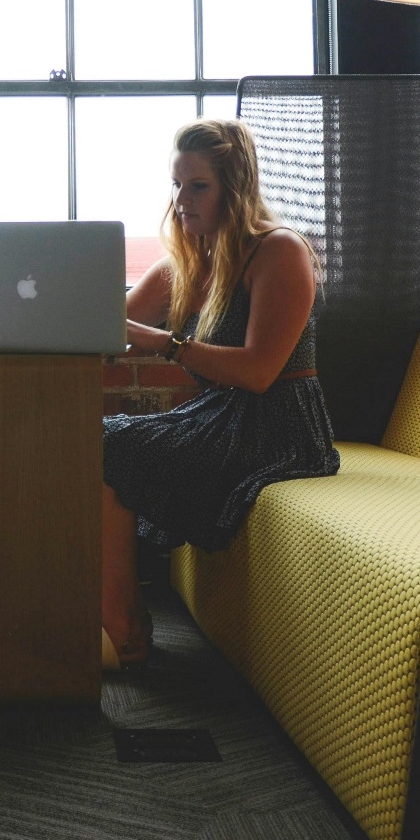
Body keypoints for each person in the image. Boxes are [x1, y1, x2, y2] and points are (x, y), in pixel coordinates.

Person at [101, 119, 339, 669]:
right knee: (98, 440)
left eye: (198, 186)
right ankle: (118, 615)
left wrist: (167, 344)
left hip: (279, 424)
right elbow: (106, 329)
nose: (181, 200)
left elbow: (259, 372)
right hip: (219, 416)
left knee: (110, 447)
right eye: (177, 185)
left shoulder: (279, 251)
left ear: (235, 188)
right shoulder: (185, 264)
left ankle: (122, 625)